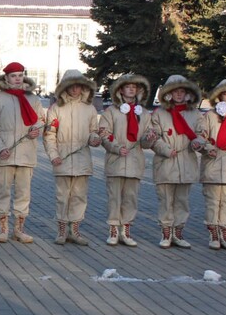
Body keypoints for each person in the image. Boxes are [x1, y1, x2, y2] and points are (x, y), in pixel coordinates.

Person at [0, 62, 45, 243]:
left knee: (23, 193)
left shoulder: (33, 99)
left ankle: (19, 229)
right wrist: (0, 147)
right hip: (5, 153)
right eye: (13, 76)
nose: (17, 79)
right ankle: (3, 228)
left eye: (20, 75)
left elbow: (41, 120)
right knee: (3, 191)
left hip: (27, 153)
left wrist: (37, 129)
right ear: (6, 78)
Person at [42, 70, 101, 246]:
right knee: (62, 196)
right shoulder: (56, 108)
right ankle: (61, 231)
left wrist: (94, 138)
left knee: (79, 196)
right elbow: (49, 135)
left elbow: (94, 131)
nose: (75, 89)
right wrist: (54, 155)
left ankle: (75, 230)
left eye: (78, 85)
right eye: (71, 85)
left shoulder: (89, 108)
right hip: (63, 158)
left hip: (82, 159)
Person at [98, 74, 156, 247]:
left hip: (135, 161)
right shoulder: (111, 112)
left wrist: (149, 137)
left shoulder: (144, 114)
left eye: (134, 87)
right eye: (128, 86)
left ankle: (126, 229)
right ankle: (114, 230)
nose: (131, 89)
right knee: (114, 197)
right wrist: (116, 147)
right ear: (120, 90)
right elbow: (104, 133)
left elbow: (146, 140)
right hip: (116, 161)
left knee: (131, 198)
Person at [149, 75, 204, 249]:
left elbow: (202, 134)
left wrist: (198, 143)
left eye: (182, 91)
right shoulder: (159, 114)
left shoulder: (195, 114)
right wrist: (165, 149)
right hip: (166, 163)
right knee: (166, 200)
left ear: (187, 94)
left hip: (186, 162)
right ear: (168, 94)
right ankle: (166, 234)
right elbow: (153, 137)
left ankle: (178, 233)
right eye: (175, 92)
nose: (179, 95)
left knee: (182, 201)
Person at [197, 79, 226, 250]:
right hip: (213, 165)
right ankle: (213, 234)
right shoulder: (210, 115)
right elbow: (200, 137)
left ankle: (225, 233)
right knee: (213, 202)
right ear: (219, 95)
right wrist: (207, 148)